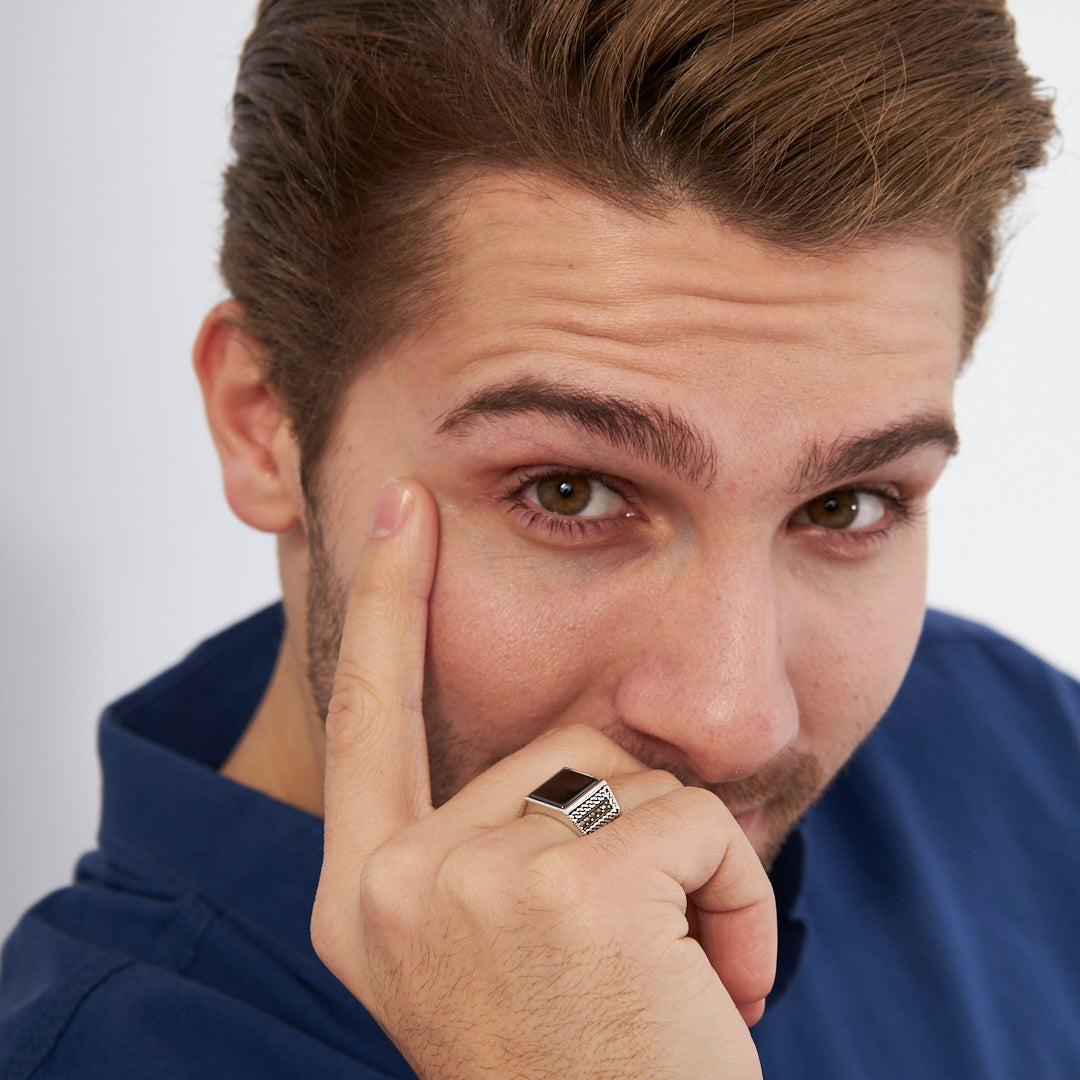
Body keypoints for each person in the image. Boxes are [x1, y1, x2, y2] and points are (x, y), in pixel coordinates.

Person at [2, 0, 1078, 1076]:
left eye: (847, 506)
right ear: (264, 421)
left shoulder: (1022, 751)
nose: (733, 725)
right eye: (569, 493)